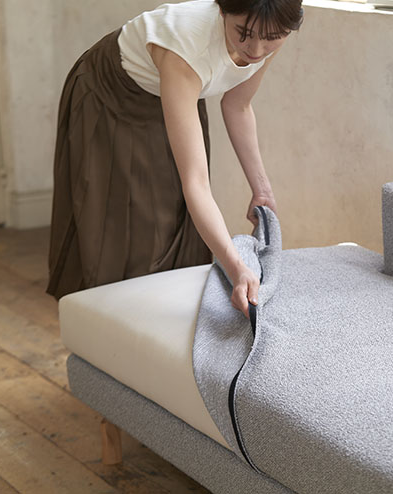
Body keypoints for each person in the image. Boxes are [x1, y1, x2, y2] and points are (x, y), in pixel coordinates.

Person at [46, 0, 303, 318]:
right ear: (222, 10)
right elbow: (196, 183)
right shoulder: (187, 49)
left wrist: (261, 189)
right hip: (110, 96)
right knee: (129, 229)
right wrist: (235, 266)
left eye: (271, 38)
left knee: (179, 220)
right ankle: (113, 324)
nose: (256, 49)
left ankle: (166, 322)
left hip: (175, 91)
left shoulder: (271, 26)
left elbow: (237, 105)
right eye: (244, 33)